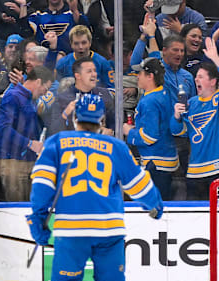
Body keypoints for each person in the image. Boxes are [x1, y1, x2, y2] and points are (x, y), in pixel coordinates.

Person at [27, 94, 163, 281]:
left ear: (75, 117)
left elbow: (42, 185)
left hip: (72, 229)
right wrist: (155, 205)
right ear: (102, 120)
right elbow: (138, 185)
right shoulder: (115, 146)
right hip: (109, 229)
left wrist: (38, 219)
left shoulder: (56, 143)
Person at [0, 65, 54, 201]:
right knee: (16, 207)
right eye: (46, 88)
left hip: (25, 161)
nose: (45, 93)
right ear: (38, 81)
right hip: (11, 162)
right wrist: (29, 143)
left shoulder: (30, 100)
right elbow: (4, 129)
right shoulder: (13, 96)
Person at [122, 57, 178, 200]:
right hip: (167, 158)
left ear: (150, 76)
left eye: (140, 73)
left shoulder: (150, 101)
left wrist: (129, 132)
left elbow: (149, 137)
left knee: (155, 209)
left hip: (156, 163)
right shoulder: (164, 92)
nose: (137, 77)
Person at [171, 59, 219, 200]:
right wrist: (176, 117)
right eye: (196, 76)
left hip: (216, 170)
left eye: (201, 76)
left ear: (213, 81)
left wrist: (216, 59)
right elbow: (177, 132)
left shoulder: (216, 99)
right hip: (194, 172)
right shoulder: (191, 103)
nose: (196, 79)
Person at [49, 57, 114, 136]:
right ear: (78, 76)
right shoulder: (63, 98)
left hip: (98, 144)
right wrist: (65, 113)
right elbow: (53, 131)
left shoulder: (105, 94)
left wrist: (110, 131)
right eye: (89, 71)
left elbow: (116, 123)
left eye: (94, 70)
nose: (94, 74)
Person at [24, 0, 89, 55]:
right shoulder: (37, 16)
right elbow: (24, 31)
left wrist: (75, 10)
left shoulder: (72, 14)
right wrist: (22, 6)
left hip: (69, 61)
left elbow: (86, 31)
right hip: (44, 62)